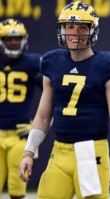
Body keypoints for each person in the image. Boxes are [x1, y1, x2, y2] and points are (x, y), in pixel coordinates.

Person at [19, 1, 110, 199]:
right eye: (69, 27)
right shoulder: (52, 62)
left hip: (91, 151)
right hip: (59, 150)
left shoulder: (109, 65)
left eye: (81, 27)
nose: (74, 32)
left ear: (92, 31)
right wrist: (29, 152)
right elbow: (43, 116)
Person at [0, 19, 42, 199]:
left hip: (20, 134)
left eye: (17, 38)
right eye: (8, 39)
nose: (13, 42)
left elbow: (55, 94)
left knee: (17, 190)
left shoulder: (33, 63)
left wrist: (38, 125)